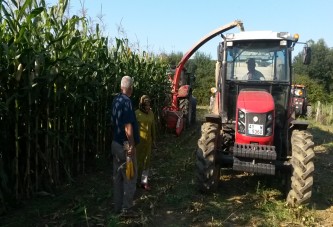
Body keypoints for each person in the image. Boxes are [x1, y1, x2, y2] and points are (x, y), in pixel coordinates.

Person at [111, 75, 140, 216]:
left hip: (115, 143)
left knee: (117, 178)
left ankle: (118, 207)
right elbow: (128, 127)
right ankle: (127, 209)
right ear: (131, 88)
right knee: (130, 176)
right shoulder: (127, 102)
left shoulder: (116, 100)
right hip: (125, 144)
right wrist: (131, 146)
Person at [135, 95, 156, 191]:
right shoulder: (137, 114)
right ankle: (136, 181)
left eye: (149, 105)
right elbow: (133, 128)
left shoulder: (151, 113)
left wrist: (154, 140)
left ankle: (144, 181)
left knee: (147, 161)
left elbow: (153, 128)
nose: (148, 107)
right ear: (142, 105)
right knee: (138, 160)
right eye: (146, 105)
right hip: (139, 142)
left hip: (148, 142)